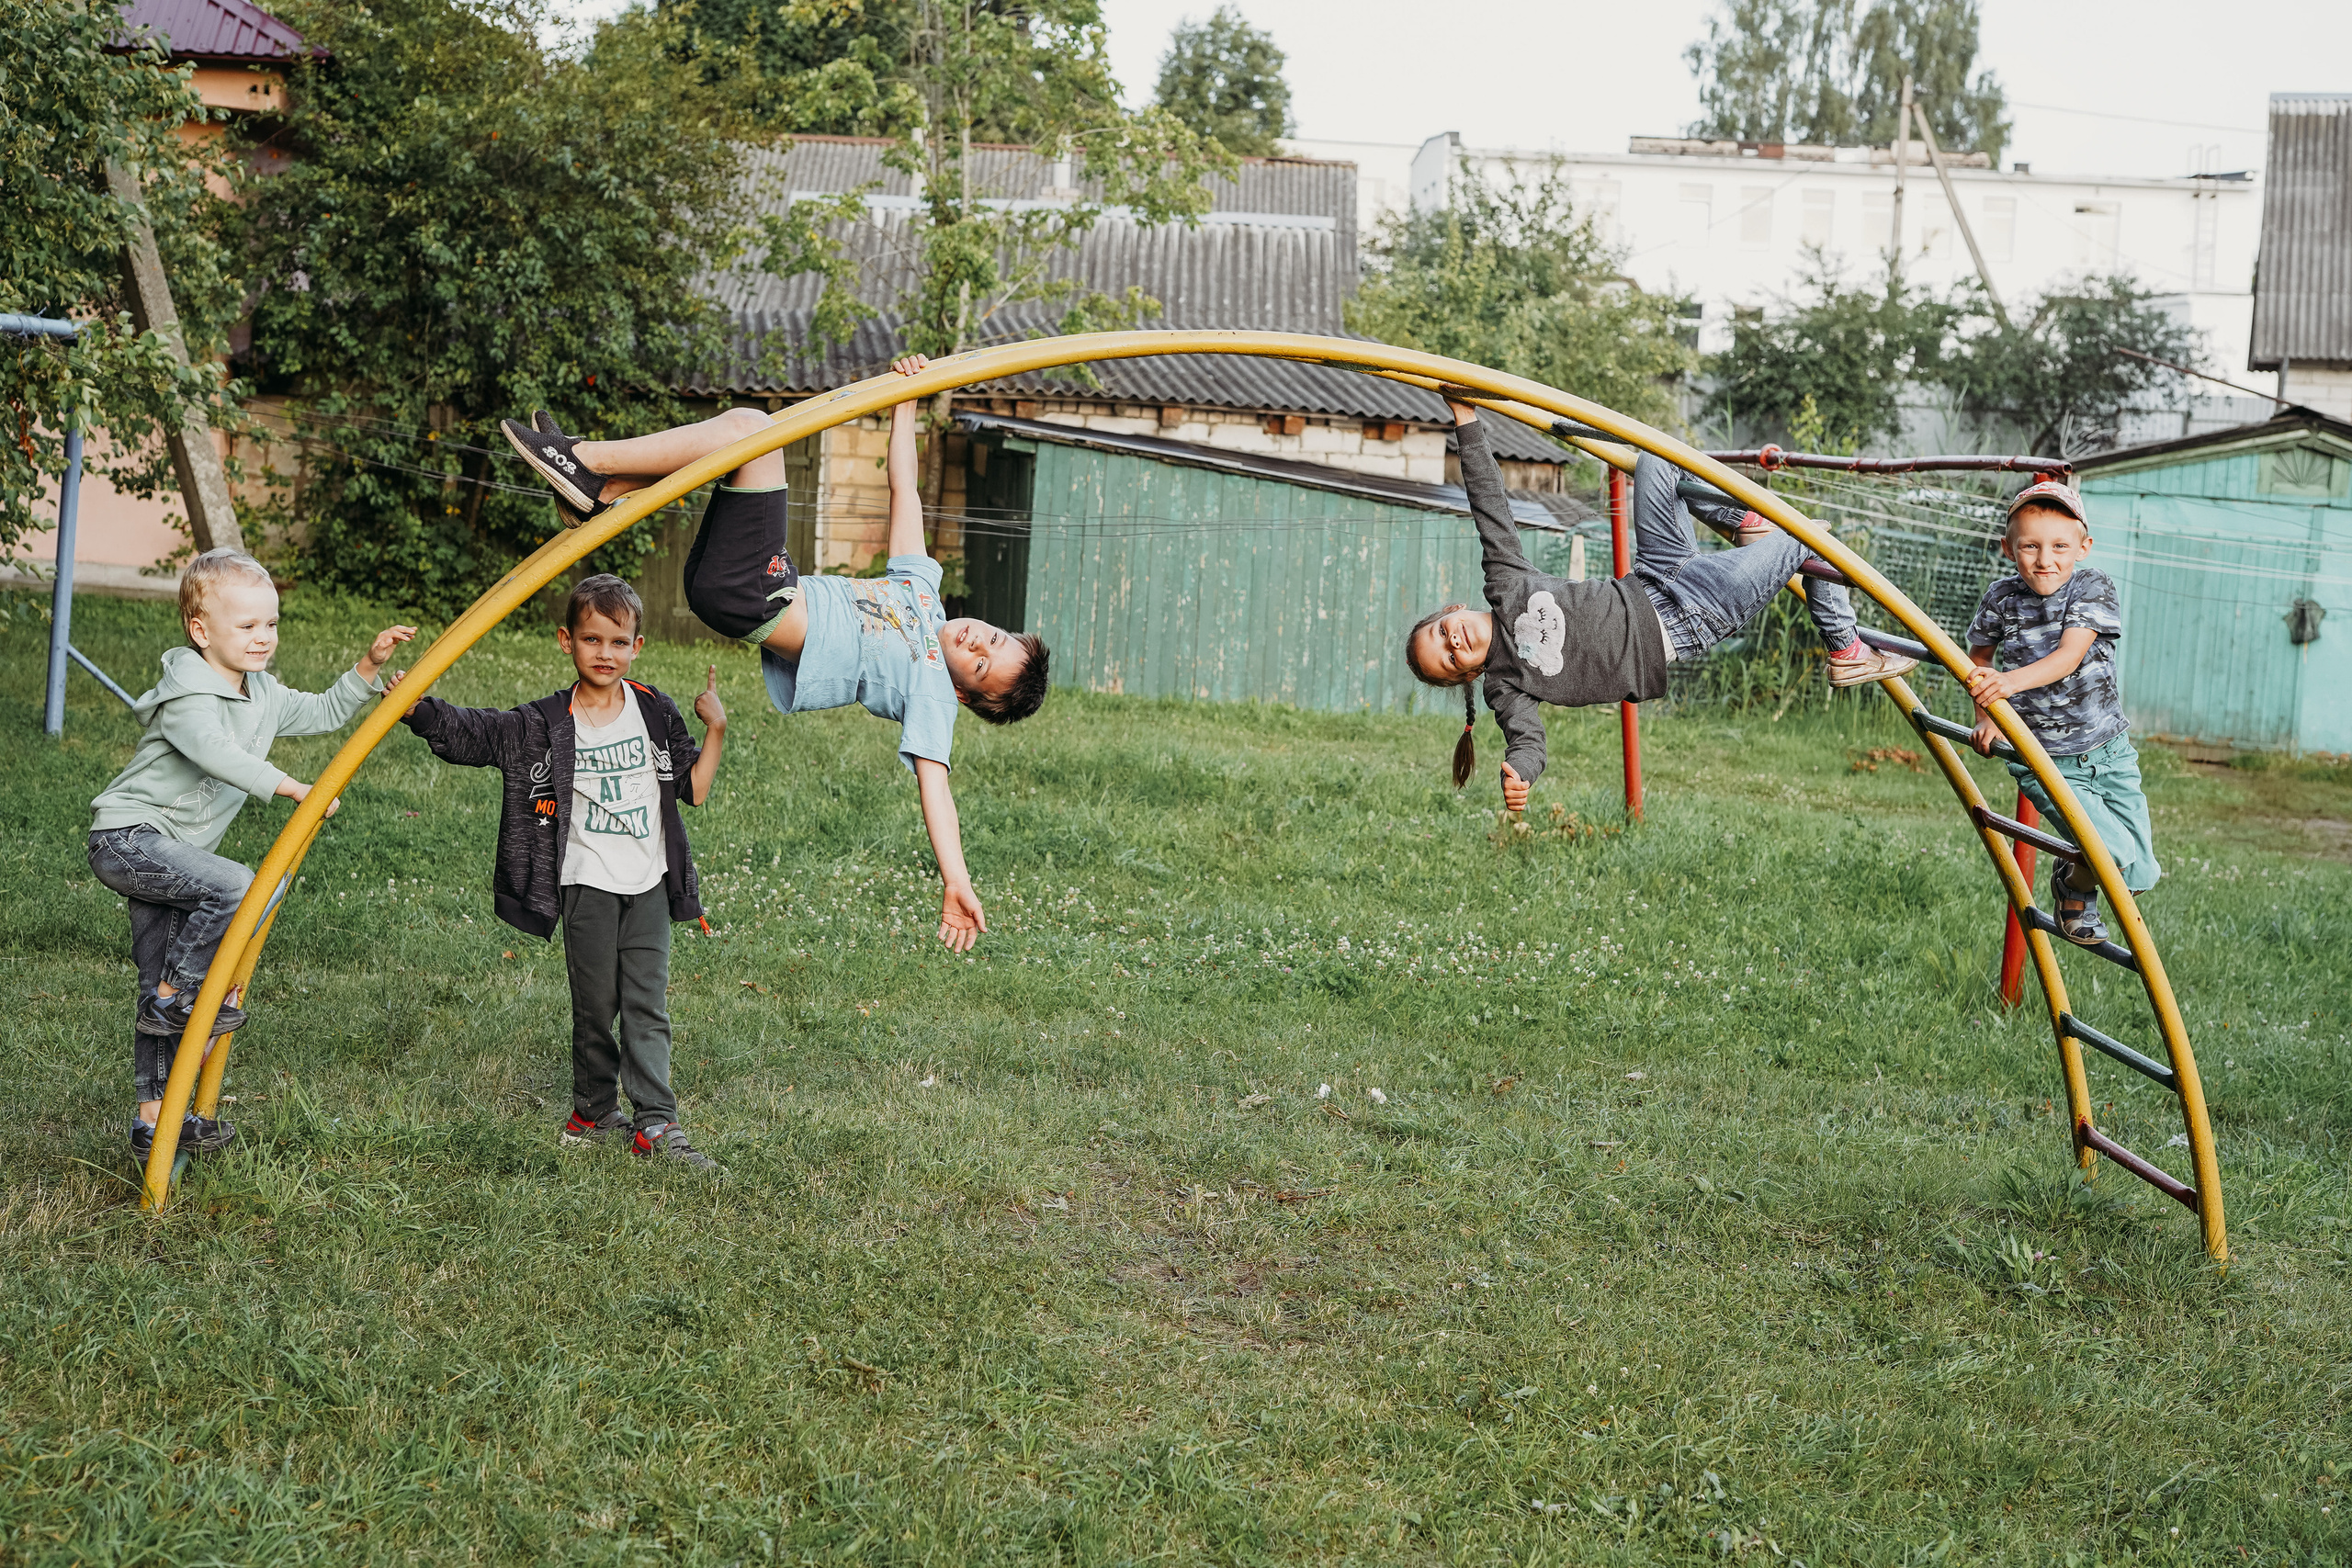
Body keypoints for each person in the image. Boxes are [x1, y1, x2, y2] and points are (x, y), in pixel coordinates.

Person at [501, 355, 1048, 951]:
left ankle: (586, 463)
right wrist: (910, 399)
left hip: (756, 596)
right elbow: (905, 491)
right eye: (993, 638)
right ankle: (603, 486)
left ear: (966, 691)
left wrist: (956, 878)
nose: (977, 644)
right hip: (752, 579)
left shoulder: (933, 693)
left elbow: (936, 788)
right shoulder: (923, 590)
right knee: (744, 427)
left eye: (982, 666)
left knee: (750, 431)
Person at [1403, 400, 1916, 807]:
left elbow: (1489, 507)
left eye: (1442, 632)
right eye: (1450, 659)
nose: (1454, 643)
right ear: (1465, 676)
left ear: (1452, 611)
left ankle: (1746, 526)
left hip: (1654, 573)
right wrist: (1522, 773)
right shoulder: (1506, 686)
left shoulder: (1506, 583)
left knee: (1659, 458)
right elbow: (1528, 742)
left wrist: (1466, 421)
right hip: (1689, 615)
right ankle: (1845, 647)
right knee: (1810, 537)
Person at [89, 548, 414, 1164]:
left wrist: (368, 667)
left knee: (158, 991)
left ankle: (153, 1116)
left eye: (271, 624)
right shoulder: (188, 690)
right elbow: (214, 752)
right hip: (128, 838)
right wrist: (288, 785)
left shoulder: (259, 692)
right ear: (200, 630)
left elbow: (320, 711)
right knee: (242, 886)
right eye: (247, 626)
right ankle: (182, 992)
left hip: (172, 857)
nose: (263, 637)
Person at [401, 575, 728, 1168]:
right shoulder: (544, 725)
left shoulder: (655, 711)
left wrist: (717, 729)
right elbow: (476, 735)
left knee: (647, 1005)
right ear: (566, 641)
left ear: (638, 646)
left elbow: (693, 791)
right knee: (597, 1007)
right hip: (587, 887)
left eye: (619, 641)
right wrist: (418, 709)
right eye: (592, 639)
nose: (606, 653)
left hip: (649, 885)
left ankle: (658, 1123)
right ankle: (595, 1110)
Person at [1964, 479, 2155, 946]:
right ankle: (2076, 893)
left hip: (2108, 748)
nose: (2044, 559)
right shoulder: (2002, 597)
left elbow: (2069, 656)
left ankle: (2073, 877)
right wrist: (1988, 714)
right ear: (2009, 548)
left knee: (2140, 870)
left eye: (2059, 546)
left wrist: (2009, 683)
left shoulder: (2093, 586)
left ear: (2083, 547)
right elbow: (1979, 656)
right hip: (2041, 754)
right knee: (2110, 851)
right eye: (2029, 546)